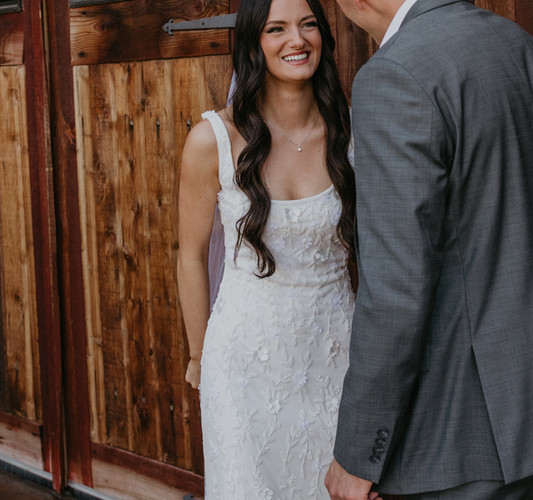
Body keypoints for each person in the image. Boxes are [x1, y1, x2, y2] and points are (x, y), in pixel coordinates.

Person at [325, 0, 533, 499]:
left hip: (455, 438)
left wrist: (357, 452)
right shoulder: (521, 46)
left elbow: (395, 291)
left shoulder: (392, 75)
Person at [175, 0, 357, 496]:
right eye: (277, 29)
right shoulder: (212, 139)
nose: (296, 41)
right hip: (242, 368)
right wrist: (198, 354)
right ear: (254, 42)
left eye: (308, 25)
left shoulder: (352, 134)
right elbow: (190, 256)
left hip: (335, 357)